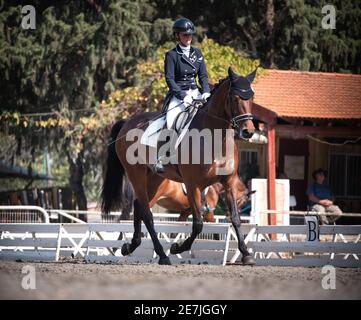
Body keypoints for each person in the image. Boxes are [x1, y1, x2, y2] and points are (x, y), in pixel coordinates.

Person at [154, 17, 211, 173]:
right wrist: (182, 96)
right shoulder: (172, 55)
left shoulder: (197, 53)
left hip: (196, 91)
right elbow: (170, 79)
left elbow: (203, 76)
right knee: (172, 120)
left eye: (190, 35)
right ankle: (162, 157)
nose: (188, 38)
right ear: (177, 36)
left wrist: (206, 92)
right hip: (179, 94)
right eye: (185, 35)